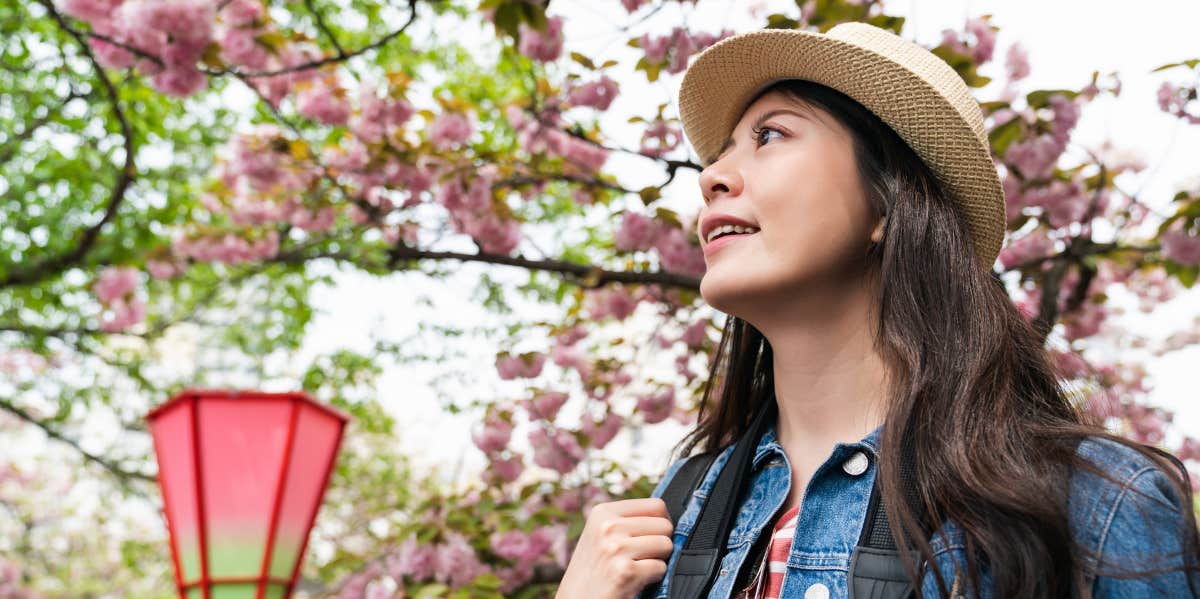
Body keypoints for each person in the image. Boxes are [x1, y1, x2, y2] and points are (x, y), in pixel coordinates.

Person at [553, 22, 1200, 599]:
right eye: (722, 150)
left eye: (770, 135)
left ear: (888, 205)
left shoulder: (1092, 506)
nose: (712, 175)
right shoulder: (676, 510)